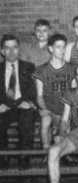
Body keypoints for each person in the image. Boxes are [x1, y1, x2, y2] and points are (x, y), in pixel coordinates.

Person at [0, 35, 39, 166]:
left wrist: (30, 103)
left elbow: (34, 90)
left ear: (19, 49)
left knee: (27, 119)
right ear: (2, 51)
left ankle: (24, 158)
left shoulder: (29, 67)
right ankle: (3, 158)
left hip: (23, 106)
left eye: (15, 47)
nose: (11, 52)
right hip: (4, 107)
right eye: (7, 48)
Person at [33, 33, 74, 150]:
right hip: (49, 108)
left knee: (66, 122)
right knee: (46, 121)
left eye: (64, 47)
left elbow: (74, 94)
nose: (62, 50)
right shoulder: (41, 70)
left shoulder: (71, 69)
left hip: (65, 109)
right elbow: (39, 96)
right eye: (58, 47)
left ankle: (64, 152)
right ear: (51, 49)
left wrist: (68, 110)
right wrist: (45, 109)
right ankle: (46, 151)